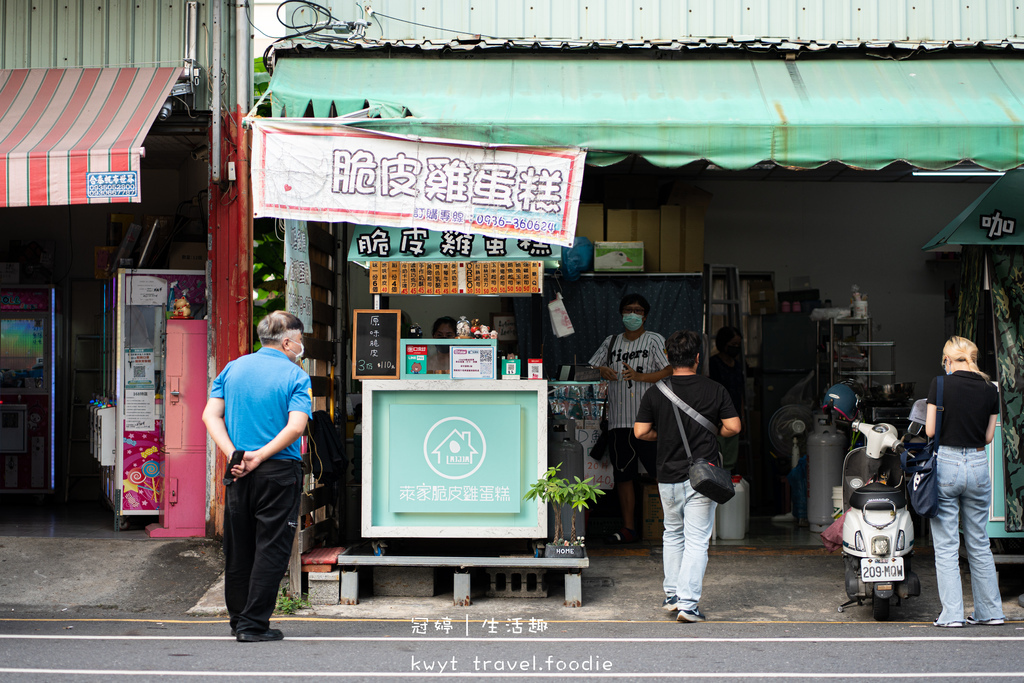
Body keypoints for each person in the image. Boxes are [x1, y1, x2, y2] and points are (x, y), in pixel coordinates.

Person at [202, 311, 312, 642]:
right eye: (300, 340)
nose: (301, 346)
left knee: (240, 548)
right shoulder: (295, 375)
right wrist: (261, 456)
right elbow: (296, 426)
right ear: (288, 341)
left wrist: (237, 454)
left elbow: (210, 415)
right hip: (278, 472)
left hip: (238, 469)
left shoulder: (233, 368)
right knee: (272, 548)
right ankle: (252, 625)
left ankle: (239, 620)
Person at [634, 329, 741, 622]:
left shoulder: (656, 390)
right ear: (697, 358)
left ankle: (672, 595)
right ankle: (688, 604)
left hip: (667, 475)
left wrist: (664, 434)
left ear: (669, 357)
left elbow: (640, 432)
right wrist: (715, 430)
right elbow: (734, 427)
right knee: (696, 541)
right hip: (701, 477)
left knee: (672, 535)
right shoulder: (715, 389)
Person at [926, 336, 1005, 628]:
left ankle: (953, 615)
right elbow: (987, 437)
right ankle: (990, 612)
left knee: (946, 544)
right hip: (978, 464)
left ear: (948, 360)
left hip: (947, 464)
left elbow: (931, 430)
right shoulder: (990, 389)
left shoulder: (940, 384)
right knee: (979, 542)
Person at [589, 294, 672, 544]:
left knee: (660, 474)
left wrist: (639, 377)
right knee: (623, 476)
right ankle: (628, 529)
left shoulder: (655, 339)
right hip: (619, 421)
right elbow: (590, 367)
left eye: (637, 311)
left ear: (645, 315)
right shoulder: (611, 342)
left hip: (649, 419)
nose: (632, 315)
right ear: (621, 314)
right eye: (628, 310)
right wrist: (599, 370)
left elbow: (669, 370)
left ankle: (672, 527)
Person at [708, 325, 745, 471]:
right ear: (723, 344)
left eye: (738, 345)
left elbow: (740, 392)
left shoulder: (737, 366)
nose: (736, 348)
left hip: (734, 416)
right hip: (718, 418)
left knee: (730, 459)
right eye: (733, 345)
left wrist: (741, 416)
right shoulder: (713, 364)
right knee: (717, 456)